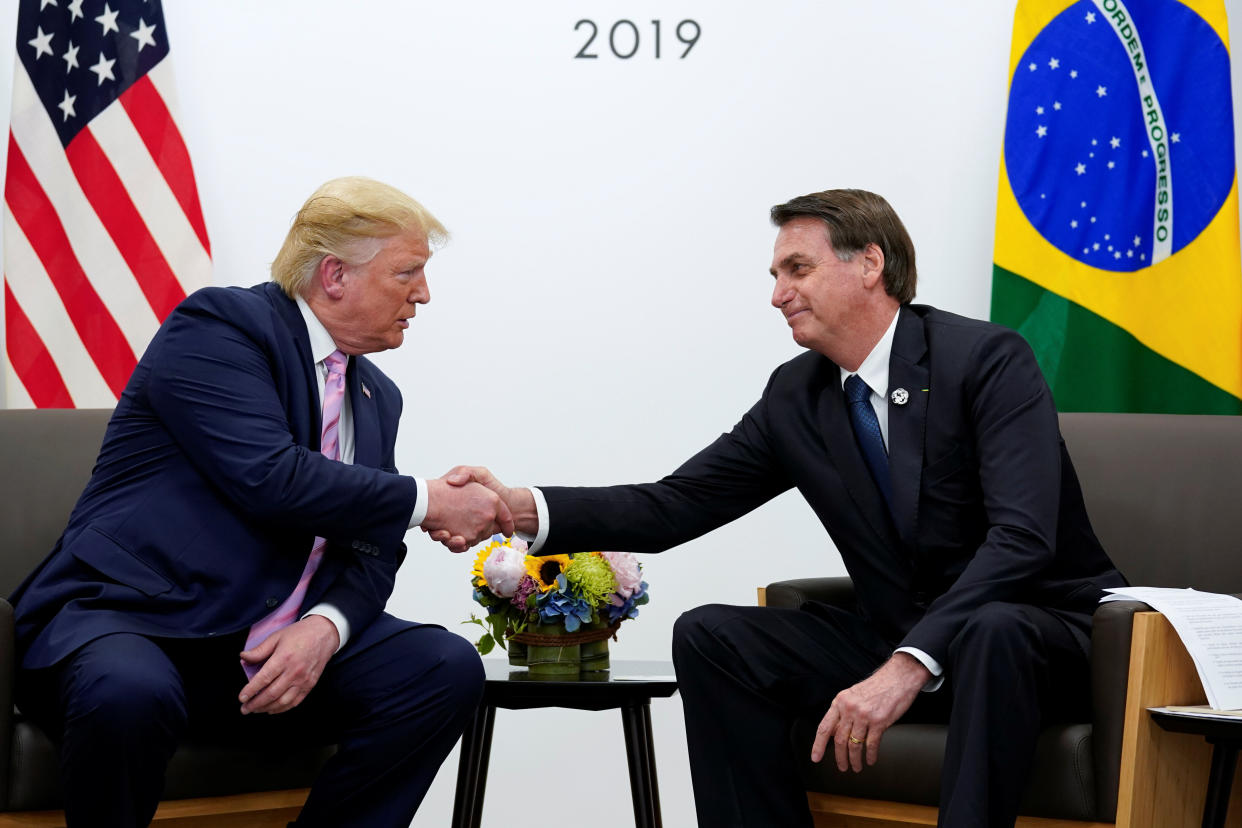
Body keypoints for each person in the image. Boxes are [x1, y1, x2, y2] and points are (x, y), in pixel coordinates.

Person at [439, 189, 1127, 827]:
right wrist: (519, 508)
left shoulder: (984, 360)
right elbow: (676, 506)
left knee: (992, 630)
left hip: (1036, 637)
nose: (777, 295)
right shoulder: (798, 396)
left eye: (796, 269)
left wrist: (909, 662)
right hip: (901, 634)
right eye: (774, 275)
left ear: (870, 265)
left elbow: (1022, 540)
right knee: (713, 637)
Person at [10, 177, 513, 828]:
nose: (423, 294)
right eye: (408, 272)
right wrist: (428, 500)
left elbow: (372, 547)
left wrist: (325, 627)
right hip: (139, 620)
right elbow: (272, 476)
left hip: (259, 648)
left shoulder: (377, 397)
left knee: (440, 669)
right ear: (335, 275)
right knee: (130, 692)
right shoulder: (222, 327)